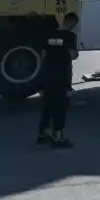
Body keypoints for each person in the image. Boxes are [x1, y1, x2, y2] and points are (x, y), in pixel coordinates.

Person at [37, 12, 80, 147]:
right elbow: (73, 55)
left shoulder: (48, 35)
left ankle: (43, 134)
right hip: (62, 76)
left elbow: (43, 55)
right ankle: (58, 137)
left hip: (48, 74)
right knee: (61, 106)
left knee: (48, 105)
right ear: (73, 24)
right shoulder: (70, 37)